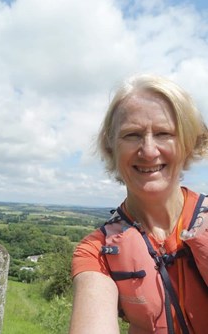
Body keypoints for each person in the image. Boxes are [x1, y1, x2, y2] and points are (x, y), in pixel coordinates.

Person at [69, 74, 208, 334]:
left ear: (188, 144)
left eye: (164, 133)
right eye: (132, 135)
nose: (149, 151)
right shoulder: (97, 251)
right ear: (111, 147)